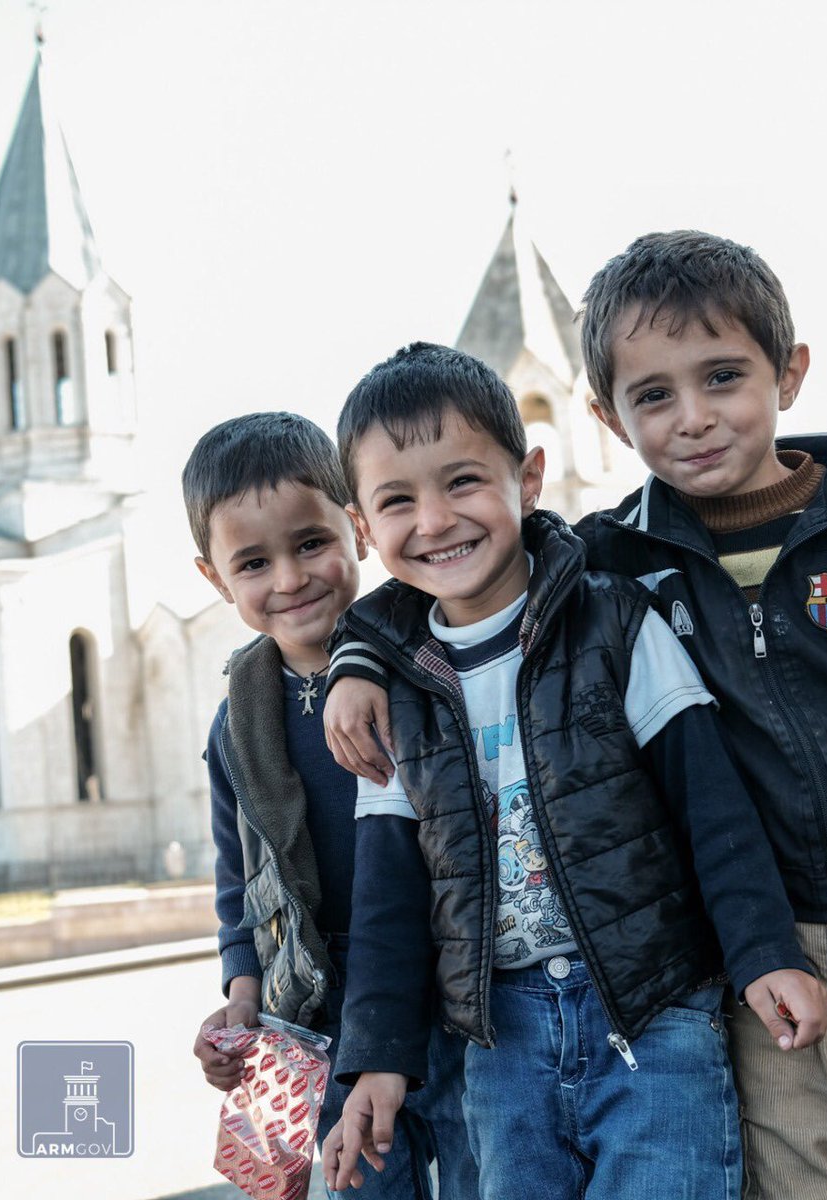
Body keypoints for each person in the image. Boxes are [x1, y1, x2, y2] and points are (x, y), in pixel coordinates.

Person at [325, 233, 827, 1199]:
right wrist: (360, 654)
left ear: (790, 372)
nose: (693, 418)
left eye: (724, 377)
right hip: (754, 934)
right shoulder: (614, 566)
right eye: (654, 397)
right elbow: (468, 576)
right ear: (609, 419)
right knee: (793, 1171)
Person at [319, 343, 827, 1200]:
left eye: (463, 481)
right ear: (365, 529)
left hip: (653, 1007)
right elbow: (388, 903)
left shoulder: (616, 625)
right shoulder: (388, 693)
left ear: (527, 479)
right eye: (397, 500)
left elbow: (713, 811)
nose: (436, 520)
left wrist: (764, 955)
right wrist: (375, 1059)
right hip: (498, 1038)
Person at [181, 411, 477, 1200]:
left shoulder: (420, 655)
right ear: (214, 577)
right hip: (318, 1005)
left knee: (486, 1169)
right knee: (369, 1186)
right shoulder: (236, 723)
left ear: (356, 529)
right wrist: (242, 1001)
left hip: (449, 971)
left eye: (311, 544)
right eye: (253, 562)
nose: (289, 579)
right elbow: (238, 878)